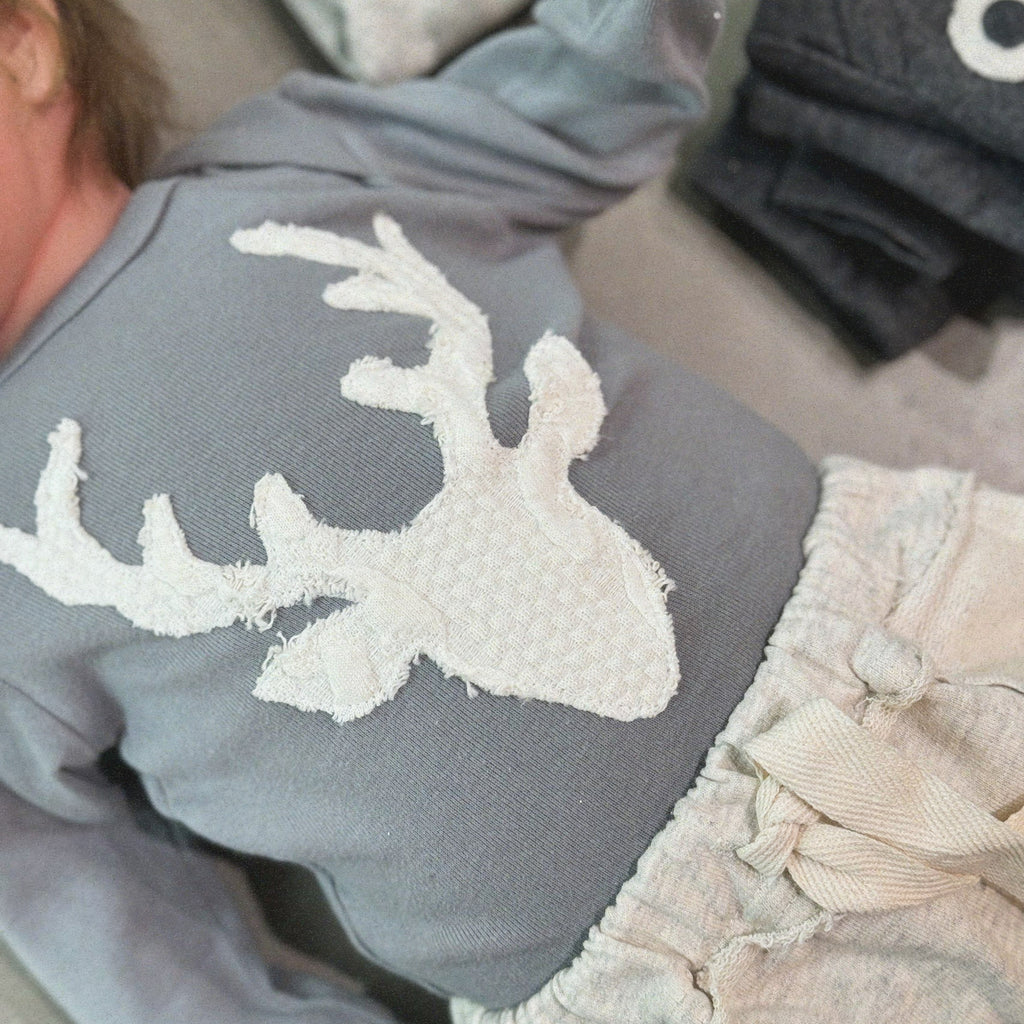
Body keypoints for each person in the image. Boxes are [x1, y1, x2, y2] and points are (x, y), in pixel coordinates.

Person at [0, 2, 1021, 1023]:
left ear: (22, 45)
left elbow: (583, 103)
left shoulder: (290, 161)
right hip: (688, 973)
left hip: (916, 630)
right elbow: (94, 910)